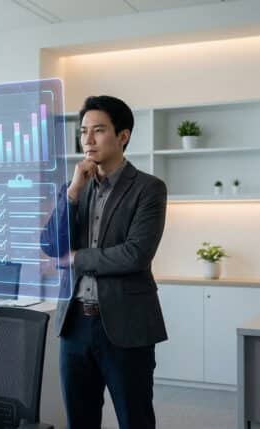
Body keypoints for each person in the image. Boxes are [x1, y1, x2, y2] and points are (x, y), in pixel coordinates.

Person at [41, 95, 168, 429]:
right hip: (74, 325)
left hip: (126, 325)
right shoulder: (75, 187)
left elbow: (136, 254)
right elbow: (51, 245)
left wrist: (78, 259)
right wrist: (71, 193)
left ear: (122, 136)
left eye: (98, 130)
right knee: (79, 421)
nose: (88, 139)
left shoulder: (148, 189)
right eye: (84, 131)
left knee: (134, 419)